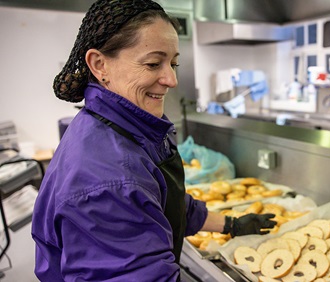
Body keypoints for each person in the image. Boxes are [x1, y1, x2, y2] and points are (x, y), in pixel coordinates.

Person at [31, 0, 277, 281]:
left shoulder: (121, 127)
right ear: (100, 65)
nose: (171, 79)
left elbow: (158, 199)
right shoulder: (107, 178)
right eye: (153, 63)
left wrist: (229, 223)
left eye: (173, 63)